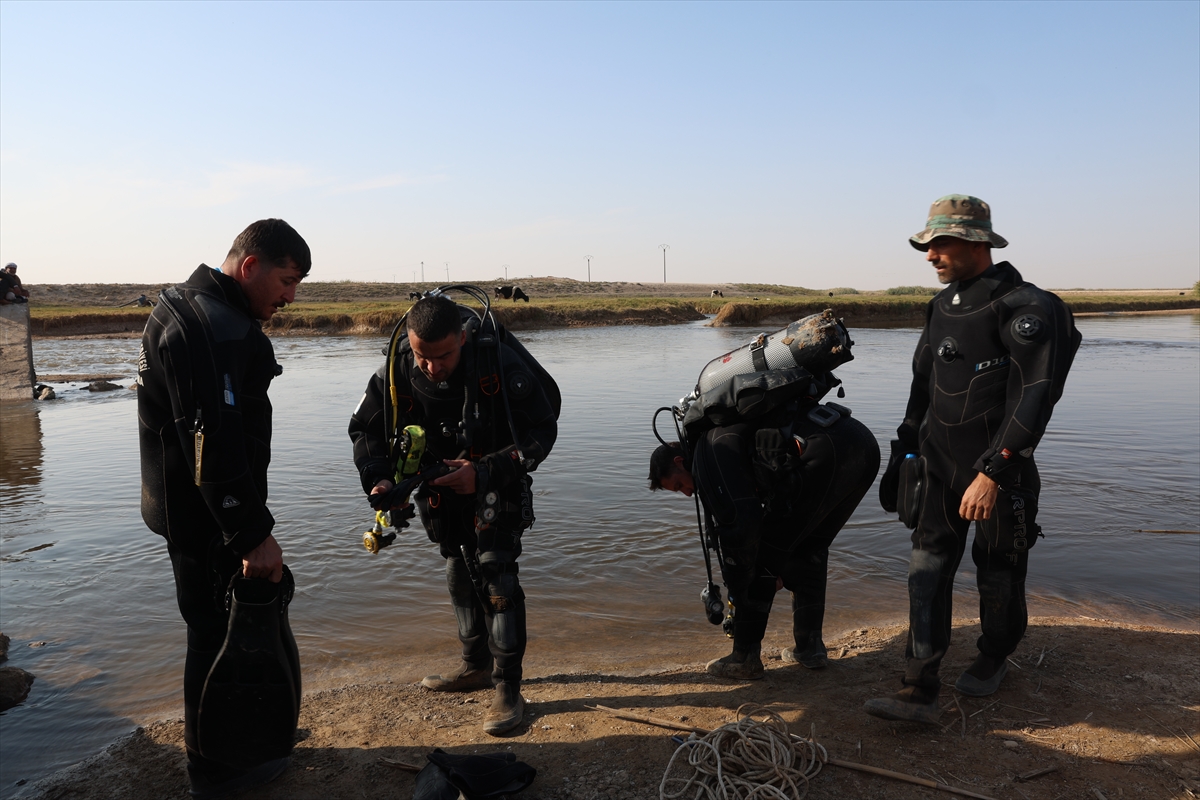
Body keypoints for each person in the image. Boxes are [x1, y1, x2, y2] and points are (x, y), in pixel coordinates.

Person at [865, 195, 1080, 724]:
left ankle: (994, 654)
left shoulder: (1027, 306)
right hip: (937, 466)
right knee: (926, 570)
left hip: (999, 471)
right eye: (927, 245)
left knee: (998, 569)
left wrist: (994, 471)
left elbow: (1036, 396)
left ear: (977, 242)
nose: (929, 255)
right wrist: (903, 454)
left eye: (940, 244)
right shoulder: (941, 306)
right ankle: (918, 687)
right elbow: (921, 391)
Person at [138, 219, 310, 797]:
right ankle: (215, 770)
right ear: (250, 265)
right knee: (213, 633)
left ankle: (230, 745)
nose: (290, 297)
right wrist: (250, 534)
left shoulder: (189, 307)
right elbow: (210, 443)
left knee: (215, 627)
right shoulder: (210, 328)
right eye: (286, 281)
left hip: (190, 507)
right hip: (206, 515)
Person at [349, 292, 557, 735]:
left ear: (461, 338)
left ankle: (508, 688)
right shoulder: (397, 368)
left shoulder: (497, 361)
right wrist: (380, 478)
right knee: (459, 569)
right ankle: (474, 666)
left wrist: (485, 472)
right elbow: (365, 429)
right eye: (422, 356)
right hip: (438, 486)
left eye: (442, 356)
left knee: (497, 574)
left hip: (496, 479)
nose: (431, 367)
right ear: (409, 342)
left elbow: (543, 430)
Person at [648, 402, 880, 680]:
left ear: (679, 461)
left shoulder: (710, 456)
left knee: (754, 561)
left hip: (825, 452)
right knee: (809, 548)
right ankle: (810, 649)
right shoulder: (724, 436)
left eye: (679, 485)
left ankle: (744, 659)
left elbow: (741, 528)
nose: (687, 493)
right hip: (860, 442)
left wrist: (750, 573)